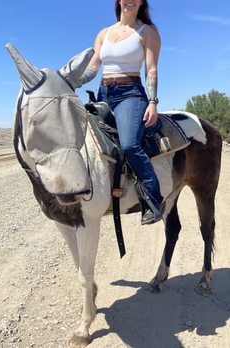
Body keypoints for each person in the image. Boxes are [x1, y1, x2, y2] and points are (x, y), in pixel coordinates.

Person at [80, 0, 163, 224]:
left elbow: (151, 69)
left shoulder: (147, 31)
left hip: (131, 93)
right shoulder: (104, 33)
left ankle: (152, 199)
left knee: (129, 145)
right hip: (104, 92)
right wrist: (74, 79)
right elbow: (94, 66)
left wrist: (153, 102)